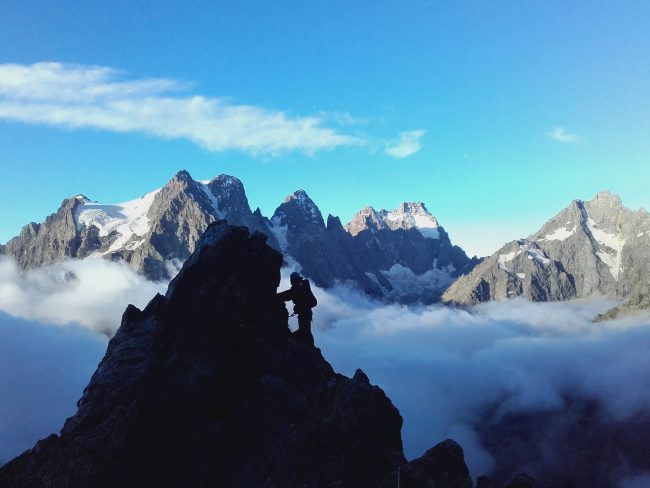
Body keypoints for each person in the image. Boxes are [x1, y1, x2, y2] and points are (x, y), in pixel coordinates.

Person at [277, 272, 317, 346]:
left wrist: (274, 297)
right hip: (307, 313)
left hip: (303, 313)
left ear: (293, 280)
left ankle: (309, 347)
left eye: (291, 279)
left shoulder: (296, 289)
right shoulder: (303, 287)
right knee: (306, 330)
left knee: (304, 330)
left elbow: (286, 295)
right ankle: (311, 347)